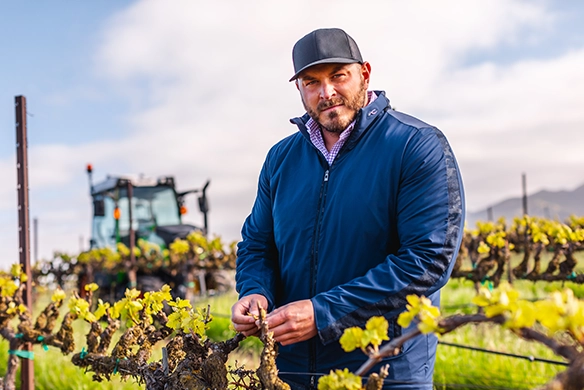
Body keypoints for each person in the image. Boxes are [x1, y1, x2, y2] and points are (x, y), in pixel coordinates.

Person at [231, 27, 465, 390]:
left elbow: (427, 260)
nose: (326, 92)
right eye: (311, 82)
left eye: (338, 76)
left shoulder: (416, 146)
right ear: (299, 89)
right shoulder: (280, 159)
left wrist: (323, 313)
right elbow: (257, 245)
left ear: (364, 74)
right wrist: (255, 291)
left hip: (387, 372)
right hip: (291, 372)